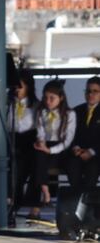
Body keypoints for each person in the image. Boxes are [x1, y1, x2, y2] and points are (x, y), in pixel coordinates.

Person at [31, 79, 76, 219]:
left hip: (61, 148)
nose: (48, 101)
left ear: (61, 98)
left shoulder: (70, 114)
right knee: (37, 157)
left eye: (52, 98)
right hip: (46, 145)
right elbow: (40, 132)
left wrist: (50, 150)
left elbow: (68, 141)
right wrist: (41, 143)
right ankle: (45, 190)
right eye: (45, 98)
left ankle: (42, 199)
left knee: (41, 161)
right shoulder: (41, 112)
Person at [7, 70, 38, 218]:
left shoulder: (35, 105)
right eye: (15, 87)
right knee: (10, 166)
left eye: (20, 87)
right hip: (11, 139)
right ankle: (9, 201)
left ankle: (17, 202)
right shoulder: (9, 103)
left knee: (21, 167)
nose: (17, 90)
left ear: (28, 88)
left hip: (29, 141)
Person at [65, 76, 100, 192]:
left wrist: (91, 151)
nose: (91, 94)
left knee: (93, 169)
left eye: (95, 91)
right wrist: (75, 148)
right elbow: (69, 134)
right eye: (88, 91)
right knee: (72, 166)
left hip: (96, 154)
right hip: (77, 153)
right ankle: (77, 201)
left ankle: (88, 204)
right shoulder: (76, 111)